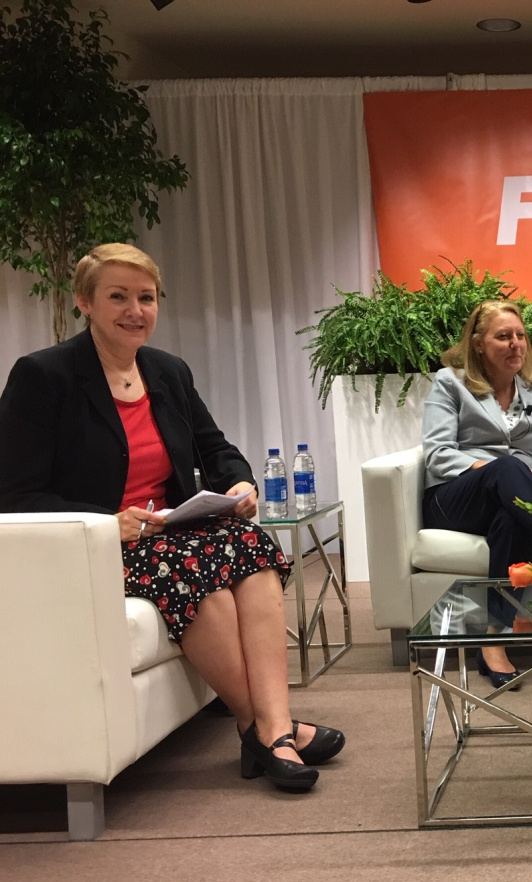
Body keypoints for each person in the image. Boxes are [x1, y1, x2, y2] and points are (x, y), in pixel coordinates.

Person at [0, 243, 343, 791]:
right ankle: (264, 730)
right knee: (197, 572)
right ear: (85, 302)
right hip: (98, 544)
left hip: (173, 530)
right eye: (118, 297)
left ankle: (273, 727)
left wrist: (240, 481)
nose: (135, 310)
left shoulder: (168, 371)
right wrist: (108, 520)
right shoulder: (44, 376)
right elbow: (14, 493)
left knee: (249, 544)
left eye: (146, 297)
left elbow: (216, 446)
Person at [421, 299, 532, 688]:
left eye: (520, 336)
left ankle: (494, 641)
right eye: (503, 336)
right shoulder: (450, 382)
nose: (515, 345)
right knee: (509, 467)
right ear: (477, 343)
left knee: (513, 512)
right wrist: (494, 474)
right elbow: (438, 454)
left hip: (516, 498)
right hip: (457, 497)